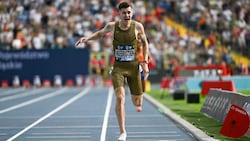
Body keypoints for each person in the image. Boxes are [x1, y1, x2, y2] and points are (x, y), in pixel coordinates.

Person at [75, 2, 149, 141]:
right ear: (119, 14)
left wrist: (144, 61)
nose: (127, 15)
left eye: (129, 12)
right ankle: (123, 132)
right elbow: (100, 34)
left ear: (132, 13)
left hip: (133, 67)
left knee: (137, 102)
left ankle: (138, 101)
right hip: (118, 68)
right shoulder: (112, 26)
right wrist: (87, 39)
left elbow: (145, 43)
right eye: (124, 13)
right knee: (120, 97)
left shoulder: (138, 26)